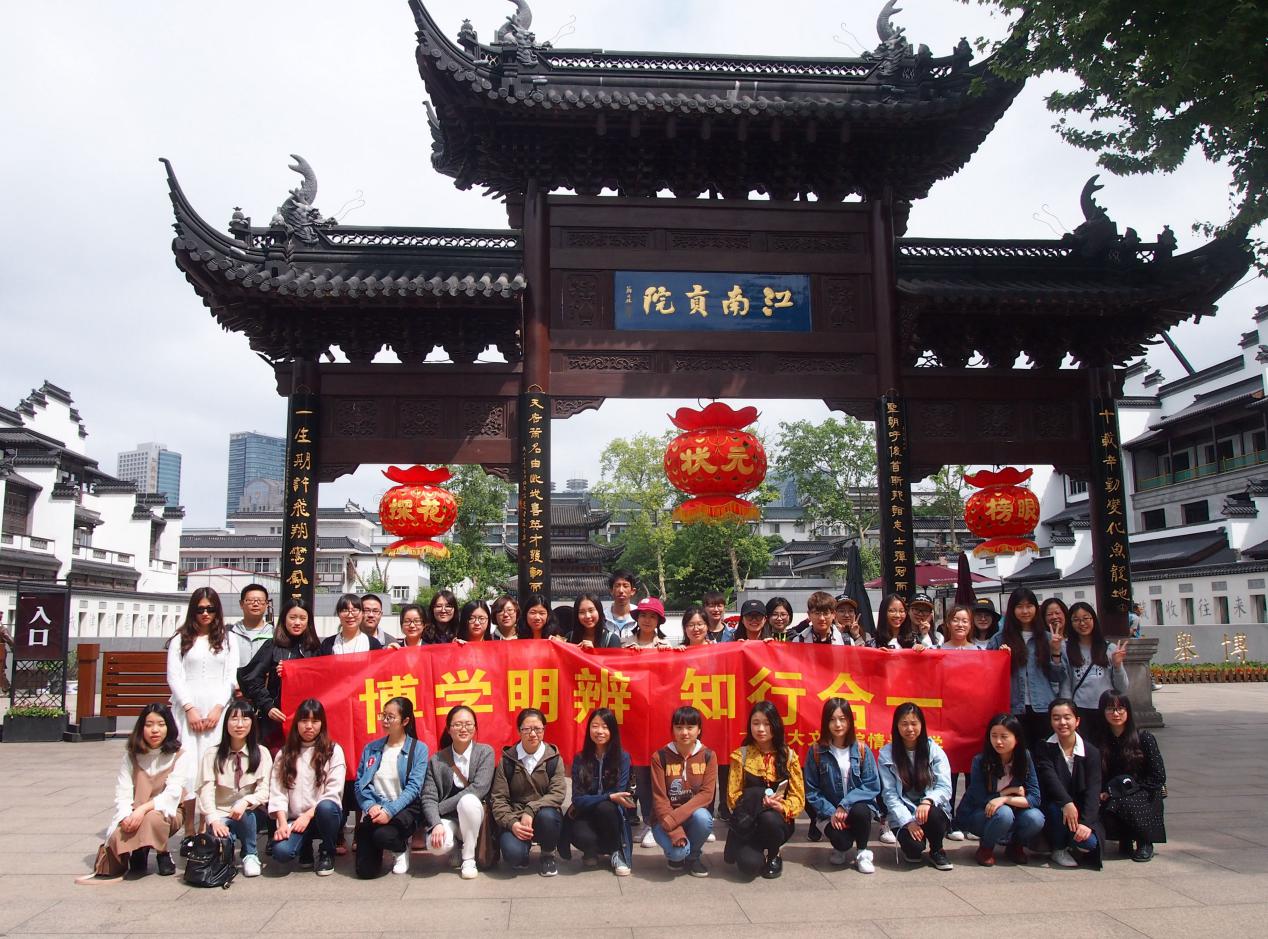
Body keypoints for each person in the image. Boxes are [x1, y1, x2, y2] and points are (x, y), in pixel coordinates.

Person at [76, 704, 194, 884]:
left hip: (170, 812)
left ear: (169, 727)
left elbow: (172, 794)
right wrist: (125, 817)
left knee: (153, 818)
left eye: (161, 724)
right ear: (141, 728)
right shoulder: (131, 757)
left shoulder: (179, 755)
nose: (155, 730)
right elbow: (123, 793)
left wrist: (142, 810)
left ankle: (162, 852)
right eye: (149, 725)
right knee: (118, 836)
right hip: (135, 811)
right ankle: (139, 848)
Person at [166, 588, 238, 830]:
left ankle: (207, 824)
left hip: (216, 710)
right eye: (200, 609)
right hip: (188, 710)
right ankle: (188, 826)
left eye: (210, 609)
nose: (205, 614)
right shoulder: (180, 639)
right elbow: (174, 677)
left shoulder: (228, 640)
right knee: (187, 768)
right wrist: (189, 708)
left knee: (212, 765)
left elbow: (230, 677)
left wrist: (218, 708)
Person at [725, 700, 805, 879]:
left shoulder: (789, 756)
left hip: (777, 822)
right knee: (748, 866)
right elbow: (732, 796)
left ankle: (774, 853)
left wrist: (782, 806)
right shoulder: (741, 755)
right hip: (749, 821)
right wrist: (759, 799)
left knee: (769, 818)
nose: (761, 729)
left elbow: (798, 797)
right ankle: (756, 849)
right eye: (756, 723)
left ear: (775, 725)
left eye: (767, 724)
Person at [268, 698, 346, 876]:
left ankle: (327, 851)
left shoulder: (333, 751)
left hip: (321, 817)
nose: (309, 726)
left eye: (314, 721)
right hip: (295, 820)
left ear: (322, 724)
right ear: (297, 723)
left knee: (327, 808)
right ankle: (305, 847)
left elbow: (333, 792)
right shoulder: (284, 753)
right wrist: (282, 824)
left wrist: (308, 815)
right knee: (281, 852)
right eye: (304, 721)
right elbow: (278, 792)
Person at [353, 696, 428, 878]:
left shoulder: (418, 749)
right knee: (365, 872)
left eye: (391, 717)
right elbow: (360, 784)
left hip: (403, 810)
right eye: (383, 716)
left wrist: (389, 811)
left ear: (405, 721)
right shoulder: (371, 748)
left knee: (383, 836)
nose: (385, 721)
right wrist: (370, 806)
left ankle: (400, 849)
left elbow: (414, 788)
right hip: (376, 809)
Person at [803, 697, 880, 873]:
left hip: (856, 808)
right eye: (832, 719)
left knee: (861, 811)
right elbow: (812, 790)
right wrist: (832, 812)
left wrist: (845, 805)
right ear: (825, 723)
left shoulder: (862, 749)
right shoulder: (816, 751)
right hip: (830, 812)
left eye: (842, 719)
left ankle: (862, 852)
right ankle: (840, 848)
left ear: (850, 721)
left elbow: (871, 784)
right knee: (842, 841)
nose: (838, 724)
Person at [197, 700, 273, 877]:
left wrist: (245, 801)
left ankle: (250, 854)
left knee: (247, 813)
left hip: (249, 813)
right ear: (226, 723)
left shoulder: (261, 753)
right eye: (234, 719)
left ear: (252, 723)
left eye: (245, 719)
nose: (239, 724)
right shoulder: (212, 755)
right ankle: (227, 849)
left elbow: (265, 790)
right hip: (220, 813)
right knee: (221, 842)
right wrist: (213, 820)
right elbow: (206, 792)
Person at [955, 713, 1043, 866]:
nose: (998, 741)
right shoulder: (980, 761)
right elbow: (980, 799)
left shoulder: (1025, 757)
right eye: (994, 736)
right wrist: (1008, 792)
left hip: (1012, 812)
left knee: (1036, 817)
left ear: (1016, 738)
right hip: (979, 815)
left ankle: (1015, 846)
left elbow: (1035, 798)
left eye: (1004, 736)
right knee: (1004, 813)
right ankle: (986, 848)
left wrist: (1004, 799)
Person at [986, 587, 1068, 747]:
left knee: (1044, 753)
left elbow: (1058, 677)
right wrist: (1001, 660)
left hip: (1043, 707)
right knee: (1019, 754)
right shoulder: (999, 639)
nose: (1025, 611)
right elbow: (989, 678)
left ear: (1036, 608)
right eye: (1019, 606)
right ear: (1012, 610)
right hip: (1013, 709)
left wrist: (1056, 652)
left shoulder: (1048, 638)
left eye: (1029, 606)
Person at [421, 705, 496, 879]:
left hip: (474, 816)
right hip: (449, 819)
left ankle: (469, 858)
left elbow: (479, 788)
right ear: (448, 729)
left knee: (468, 800)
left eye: (468, 724)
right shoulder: (437, 760)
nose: (463, 729)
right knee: (436, 845)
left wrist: (440, 808)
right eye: (457, 724)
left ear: (475, 728)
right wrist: (436, 823)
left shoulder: (485, 752)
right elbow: (428, 796)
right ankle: (455, 846)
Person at [490, 707, 566, 876]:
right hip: (516, 817)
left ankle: (547, 854)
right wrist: (512, 824)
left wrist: (531, 809)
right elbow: (499, 799)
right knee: (513, 856)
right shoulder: (507, 760)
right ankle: (522, 852)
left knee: (548, 817)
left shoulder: (553, 758)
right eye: (527, 729)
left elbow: (557, 794)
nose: (533, 734)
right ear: (519, 731)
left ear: (544, 730)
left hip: (543, 815)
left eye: (538, 729)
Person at [878, 702, 954, 870]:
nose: (910, 728)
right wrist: (908, 822)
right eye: (904, 724)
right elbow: (889, 794)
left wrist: (928, 801)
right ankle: (915, 842)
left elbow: (945, 787)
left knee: (933, 813)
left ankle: (937, 849)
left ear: (922, 725)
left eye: (914, 723)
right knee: (913, 851)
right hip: (904, 813)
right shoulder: (886, 754)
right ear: (896, 726)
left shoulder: (934, 750)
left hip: (929, 811)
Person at [238, 599, 321, 750]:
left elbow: (323, 680)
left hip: (308, 721)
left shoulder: (315, 649)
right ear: (284, 619)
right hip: (276, 720)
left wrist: (296, 671)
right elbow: (251, 678)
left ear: (309, 621)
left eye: (302, 618)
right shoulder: (272, 646)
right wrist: (268, 706)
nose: (297, 623)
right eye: (292, 617)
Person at [562, 708, 635, 876]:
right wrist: (608, 796)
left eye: (605, 727)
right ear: (589, 729)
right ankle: (591, 851)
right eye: (595, 726)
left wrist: (605, 798)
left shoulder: (623, 757)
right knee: (581, 834)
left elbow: (619, 793)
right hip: (585, 813)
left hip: (610, 814)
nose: (599, 731)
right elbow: (577, 799)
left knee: (606, 808)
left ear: (612, 730)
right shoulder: (580, 758)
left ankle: (616, 850)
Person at [1097, 691, 1166, 862]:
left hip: (1143, 789)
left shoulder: (1144, 738)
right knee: (1105, 805)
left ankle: (1145, 842)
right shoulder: (1100, 740)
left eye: (1121, 708)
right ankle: (1124, 838)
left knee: (1125, 802)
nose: (1116, 713)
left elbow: (1158, 775)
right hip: (1112, 791)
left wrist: (1126, 790)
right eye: (1110, 709)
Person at [1035, 697, 1103, 869]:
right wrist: (1066, 803)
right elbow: (1050, 779)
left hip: (1081, 810)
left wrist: (1086, 823)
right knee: (1055, 809)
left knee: (1089, 843)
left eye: (1067, 717)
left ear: (1077, 720)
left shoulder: (1091, 752)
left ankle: (1073, 842)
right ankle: (1058, 848)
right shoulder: (1044, 747)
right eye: (1056, 718)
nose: (1062, 723)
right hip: (1056, 807)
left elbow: (1094, 790)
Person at [649, 706, 717, 877]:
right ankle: (680, 855)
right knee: (678, 853)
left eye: (690, 727)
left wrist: (675, 819)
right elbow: (660, 799)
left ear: (699, 730)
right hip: (664, 820)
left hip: (690, 818)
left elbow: (706, 795)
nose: (684, 732)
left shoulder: (709, 756)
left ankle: (693, 857)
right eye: (679, 727)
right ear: (672, 729)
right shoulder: (659, 757)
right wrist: (675, 831)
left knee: (704, 818)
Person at [1065, 602, 1129, 732]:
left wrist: (1117, 666)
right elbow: (1065, 684)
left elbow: (1122, 687)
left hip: (1106, 710)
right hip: (1079, 710)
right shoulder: (1066, 649)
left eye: (1086, 618)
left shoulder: (1109, 649)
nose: (1082, 623)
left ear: (1093, 619)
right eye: (1076, 620)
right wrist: (1067, 710)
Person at [231, 583, 273, 670]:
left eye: (260, 600)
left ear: (266, 604)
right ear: (241, 604)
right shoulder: (231, 634)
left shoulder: (274, 634)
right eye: (250, 600)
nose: (255, 604)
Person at [606, 569, 638, 634]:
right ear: (611, 591)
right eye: (617, 586)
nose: (621, 590)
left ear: (632, 591)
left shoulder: (640, 616)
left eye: (625, 586)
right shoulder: (603, 618)